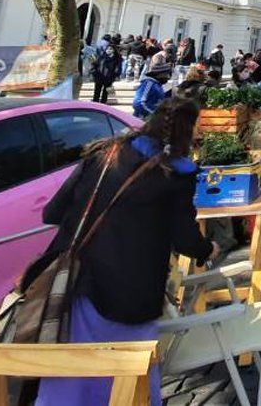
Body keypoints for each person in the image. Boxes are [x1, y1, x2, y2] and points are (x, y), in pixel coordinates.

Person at [31, 98, 217, 406]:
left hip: (79, 283)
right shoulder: (174, 175)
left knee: (72, 376)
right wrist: (209, 248)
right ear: (186, 130)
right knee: (129, 379)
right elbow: (186, 240)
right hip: (131, 292)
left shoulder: (104, 154)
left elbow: (53, 211)